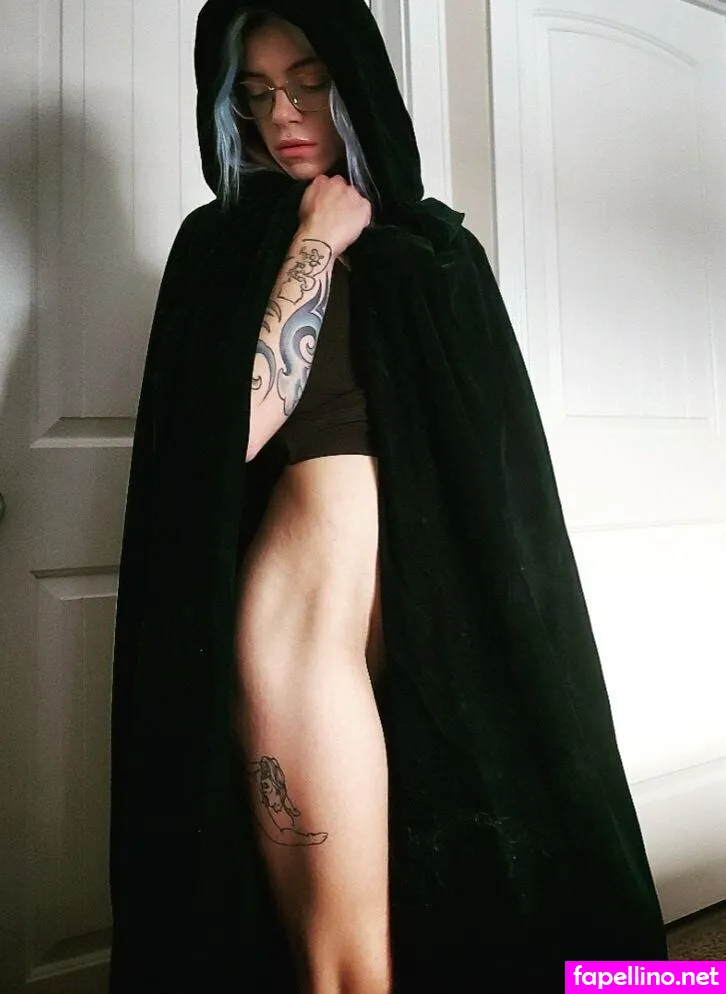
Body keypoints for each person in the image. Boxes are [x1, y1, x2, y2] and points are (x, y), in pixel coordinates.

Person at [109, 2, 668, 992]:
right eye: (255, 94)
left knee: (461, 926)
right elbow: (222, 437)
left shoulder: (433, 248)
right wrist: (316, 241)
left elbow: (498, 474)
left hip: (435, 632)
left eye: (309, 82)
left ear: (356, 80)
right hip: (304, 634)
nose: (284, 114)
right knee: (347, 967)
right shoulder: (226, 244)